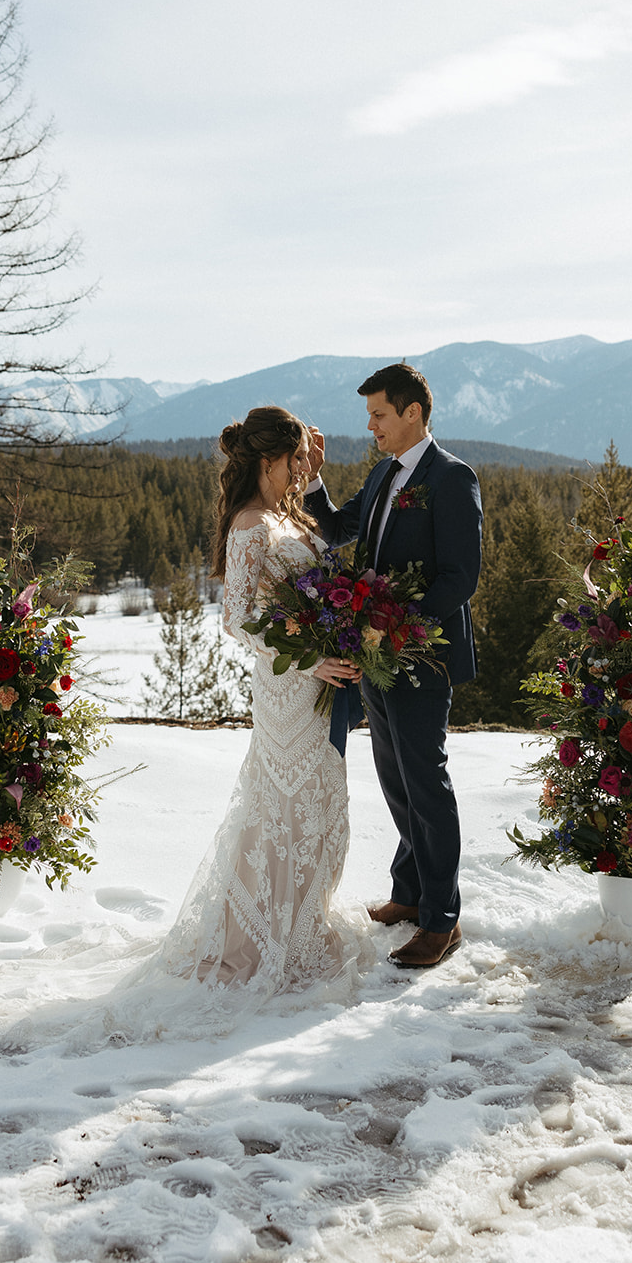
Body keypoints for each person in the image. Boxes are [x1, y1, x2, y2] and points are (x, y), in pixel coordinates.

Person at [151, 405, 366, 996]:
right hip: (287, 686)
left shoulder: (287, 515)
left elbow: (327, 565)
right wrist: (311, 658)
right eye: (296, 458)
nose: (303, 466)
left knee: (321, 808)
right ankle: (261, 939)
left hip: (319, 685)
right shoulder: (250, 524)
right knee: (283, 809)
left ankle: (302, 926)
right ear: (269, 460)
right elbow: (237, 621)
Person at [306, 363, 483, 970]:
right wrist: (312, 482)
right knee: (394, 775)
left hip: (423, 655)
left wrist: (394, 622)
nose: (372, 426)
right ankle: (409, 894)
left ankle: (442, 919)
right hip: (377, 656)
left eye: (379, 414)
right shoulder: (384, 473)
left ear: (412, 413)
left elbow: (461, 577)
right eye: (369, 416)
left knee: (425, 781)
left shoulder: (453, 479)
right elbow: (336, 530)